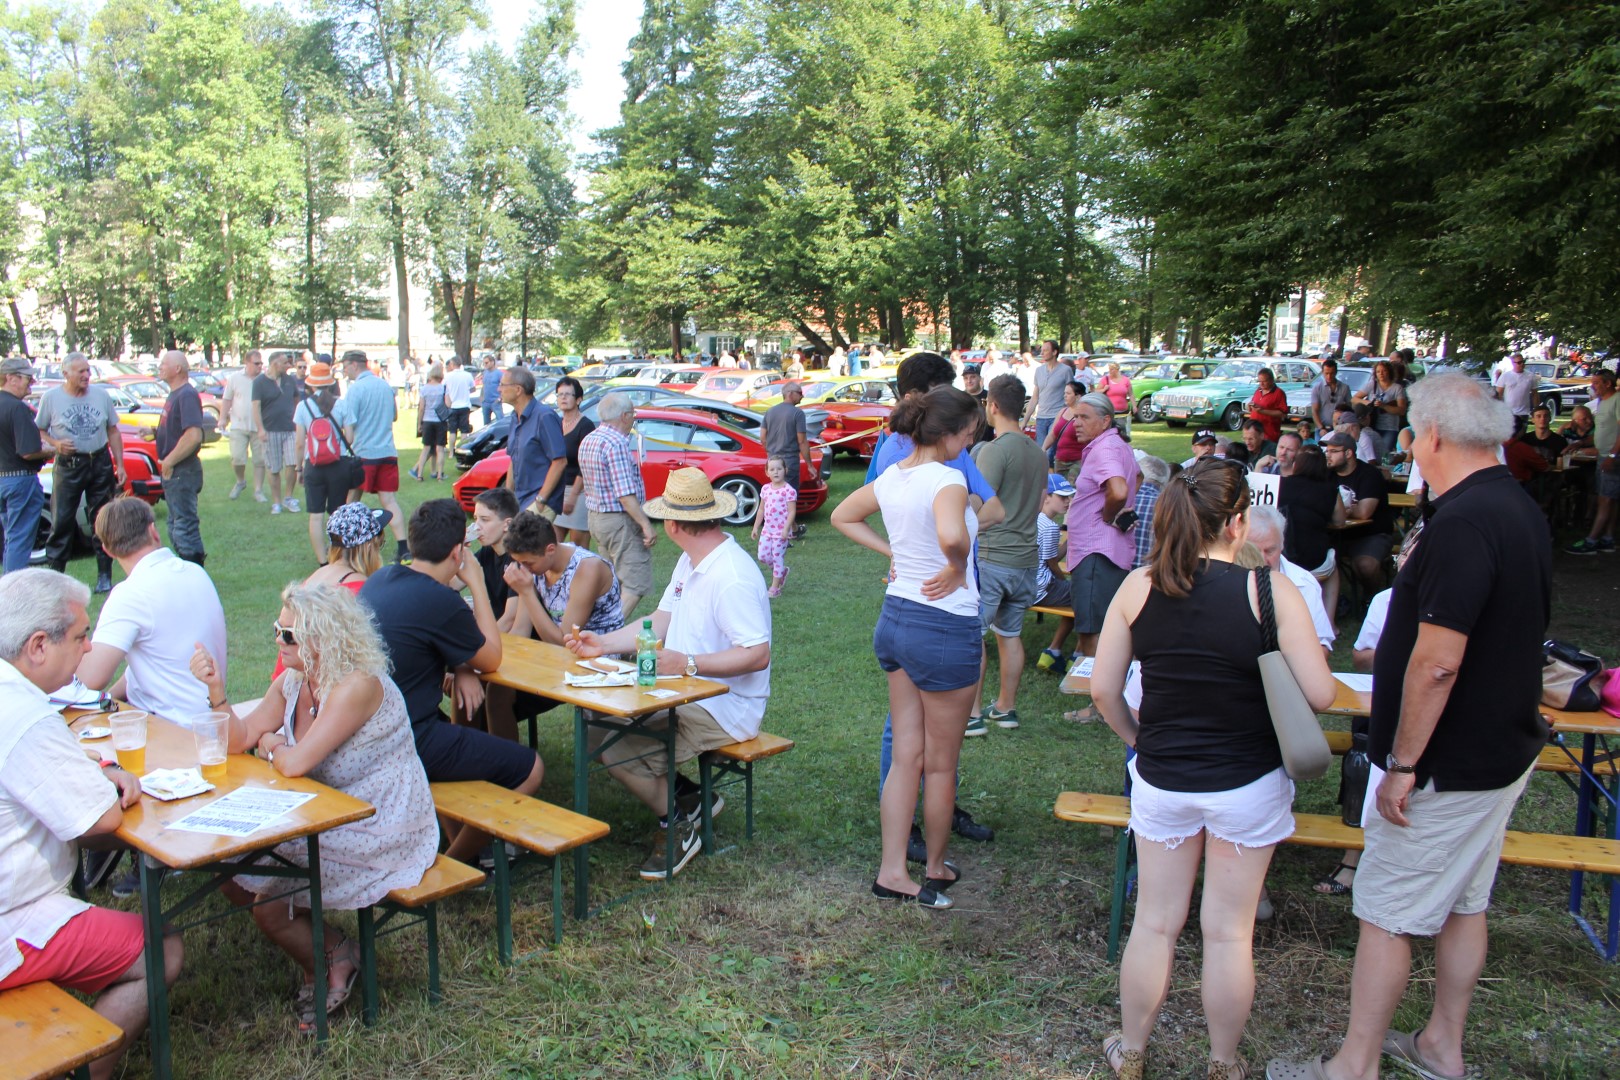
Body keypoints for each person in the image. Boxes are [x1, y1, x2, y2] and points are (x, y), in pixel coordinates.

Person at [1267, 375, 1551, 1080]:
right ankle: (1438, 1046)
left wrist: (1402, 762)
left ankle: (1353, 1066)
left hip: (1447, 762)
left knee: (1387, 911)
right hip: (1498, 749)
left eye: (1415, 436)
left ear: (1435, 437)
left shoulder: (1465, 522)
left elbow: (1436, 664)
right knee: (1463, 903)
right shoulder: (1515, 505)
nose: (1411, 449)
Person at [1091, 458, 1336, 1080]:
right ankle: (1222, 1062)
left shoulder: (1139, 586)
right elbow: (1321, 694)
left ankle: (1133, 1049)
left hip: (1163, 776)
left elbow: (1102, 690)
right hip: (1247, 781)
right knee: (1229, 934)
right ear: (1237, 523)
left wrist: (1139, 740)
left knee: (1154, 922)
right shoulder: (1268, 590)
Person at [188, 583, 436, 1033]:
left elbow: (296, 762)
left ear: (322, 638)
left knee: (268, 900)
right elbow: (238, 739)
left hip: (381, 822)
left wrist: (275, 746)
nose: (277, 641)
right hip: (325, 811)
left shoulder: (357, 685)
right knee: (225, 862)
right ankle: (328, 943)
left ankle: (328, 961)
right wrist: (216, 691)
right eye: (277, 630)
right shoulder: (295, 681)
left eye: (287, 635)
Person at [0, 569, 184, 1080]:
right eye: (81, 636)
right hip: (12, 918)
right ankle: (88, 1072)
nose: (88, 649)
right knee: (162, 946)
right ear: (39, 645)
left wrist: (99, 771)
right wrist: (111, 785)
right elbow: (98, 820)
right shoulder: (23, 715)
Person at [567, 469, 772, 881]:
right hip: (686, 691)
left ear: (675, 525)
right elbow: (660, 619)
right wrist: (603, 643)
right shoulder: (692, 558)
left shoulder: (730, 576)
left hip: (724, 707)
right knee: (597, 724)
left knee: (619, 750)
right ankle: (689, 797)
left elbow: (757, 654)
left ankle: (677, 827)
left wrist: (687, 663)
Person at [832, 388, 984, 910]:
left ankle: (892, 871)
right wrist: (958, 563)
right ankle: (935, 868)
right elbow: (951, 536)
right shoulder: (948, 479)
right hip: (943, 628)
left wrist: (893, 550)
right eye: (969, 431)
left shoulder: (893, 475)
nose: (972, 439)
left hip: (895, 620)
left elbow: (843, 517)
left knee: (905, 757)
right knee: (939, 764)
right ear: (948, 432)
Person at [358, 499, 543, 862]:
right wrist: (474, 581)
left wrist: (460, 667)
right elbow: (492, 656)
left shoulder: (380, 579)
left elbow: (422, 638)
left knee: (461, 737)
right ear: (458, 551)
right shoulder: (442, 599)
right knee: (531, 769)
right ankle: (455, 865)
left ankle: (472, 852)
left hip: (369, 729)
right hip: (407, 737)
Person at [863, 351, 999, 843]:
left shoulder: (949, 454)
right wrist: (948, 552)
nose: (971, 437)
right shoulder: (916, 456)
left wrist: (962, 527)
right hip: (931, 608)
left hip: (921, 606)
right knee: (910, 738)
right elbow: (927, 522)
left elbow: (993, 508)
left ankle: (928, 819)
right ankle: (914, 826)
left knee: (927, 739)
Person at [76, 496, 228, 723]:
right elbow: (157, 661)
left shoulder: (130, 595)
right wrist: (109, 698)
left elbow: (88, 679)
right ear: (153, 531)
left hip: (174, 729)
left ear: (107, 549)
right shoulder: (194, 571)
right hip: (214, 717)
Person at [967, 375, 1047, 731]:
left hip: (993, 555)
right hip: (1027, 558)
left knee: (975, 634)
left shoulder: (996, 451)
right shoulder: (1038, 452)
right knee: (1010, 634)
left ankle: (972, 716)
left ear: (993, 406)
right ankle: (1005, 709)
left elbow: (977, 503)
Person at [34, 353, 122, 592]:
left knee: (102, 520)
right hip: (69, 465)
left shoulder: (101, 395)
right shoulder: (51, 398)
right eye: (80, 372)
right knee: (61, 521)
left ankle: (105, 576)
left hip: (99, 461)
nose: (86, 376)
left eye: (88, 371)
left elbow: (113, 430)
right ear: (66, 374)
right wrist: (55, 444)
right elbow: (39, 430)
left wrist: (120, 464)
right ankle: (55, 580)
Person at [1065, 393, 1139, 664]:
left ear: (1106, 420)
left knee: (1092, 633)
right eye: (1075, 417)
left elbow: (1118, 490)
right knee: (1102, 629)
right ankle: (1104, 701)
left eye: (1084, 417)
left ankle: (1099, 704)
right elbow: (1138, 476)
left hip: (1096, 553)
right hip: (1107, 551)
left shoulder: (1105, 449)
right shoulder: (1117, 445)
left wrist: (1110, 514)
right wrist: (1123, 508)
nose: (1077, 423)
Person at [578, 392, 657, 618]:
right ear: (624, 416)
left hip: (596, 519)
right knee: (634, 583)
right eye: (633, 414)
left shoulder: (590, 439)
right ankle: (607, 634)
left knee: (612, 583)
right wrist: (646, 524)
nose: (634, 418)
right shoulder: (616, 444)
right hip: (619, 520)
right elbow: (624, 495)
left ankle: (599, 628)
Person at [503, 510, 622, 648]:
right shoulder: (537, 565)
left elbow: (563, 641)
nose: (523, 568)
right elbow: (521, 630)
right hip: (561, 654)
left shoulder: (587, 569)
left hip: (600, 656)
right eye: (520, 562)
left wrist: (527, 592)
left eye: (528, 563)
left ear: (550, 550)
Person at [339, 350, 409, 563]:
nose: (344, 371)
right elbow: (395, 416)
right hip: (387, 451)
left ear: (353, 365)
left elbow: (349, 428)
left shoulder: (355, 389)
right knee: (389, 500)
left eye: (344, 366)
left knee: (351, 500)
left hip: (364, 454)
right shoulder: (385, 386)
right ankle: (404, 548)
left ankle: (343, 545)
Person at [1246, 506, 1335, 657]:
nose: (1262, 559)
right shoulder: (1224, 577)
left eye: (1270, 550)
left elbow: (1322, 647)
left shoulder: (1304, 583)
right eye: (1254, 551)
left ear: (1282, 545)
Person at [293, 361, 357, 566]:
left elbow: (299, 443)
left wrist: (298, 468)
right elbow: (350, 437)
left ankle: (322, 562)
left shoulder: (303, 406)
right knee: (337, 513)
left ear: (311, 385)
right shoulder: (341, 404)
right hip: (338, 464)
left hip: (313, 465)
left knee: (315, 515)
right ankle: (337, 556)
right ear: (330, 384)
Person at [1277, 444, 1347, 630]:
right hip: (1315, 562)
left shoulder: (1279, 485)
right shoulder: (1330, 490)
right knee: (1333, 570)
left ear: (1296, 465)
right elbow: (1340, 521)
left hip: (1282, 560)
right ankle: (1329, 623)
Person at [1321, 430, 1394, 598]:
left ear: (1348, 453)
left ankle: (1371, 599)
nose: (1327, 455)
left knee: (1365, 565)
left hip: (1371, 534)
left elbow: (1363, 512)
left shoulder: (1369, 474)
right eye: (1327, 451)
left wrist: (1338, 511)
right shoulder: (1326, 474)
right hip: (1336, 533)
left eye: (1333, 451)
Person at [154, 350, 206, 564]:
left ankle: (195, 571)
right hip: (176, 471)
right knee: (175, 524)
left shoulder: (186, 394)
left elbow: (193, 435)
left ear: (177, 369)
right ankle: (187, 569)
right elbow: (178, 429)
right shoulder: (176, 393)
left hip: (182, 471)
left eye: (164, 363)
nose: (160, 367)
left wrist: (169, 461)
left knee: (184, 525)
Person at [501, 366, 567, 519]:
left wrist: (541, 500)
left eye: (503, 385)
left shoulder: (544, 416)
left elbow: (560, 461)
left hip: (539, 501)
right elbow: (514, 460)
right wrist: (507, 497)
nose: (499, 389)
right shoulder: (514, 417)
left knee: (524, 542)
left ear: (518, 390)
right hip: (520, 500)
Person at [1566, 367, 1620, 554]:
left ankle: (1591, 540)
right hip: (1603, 454)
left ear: (1607, 383)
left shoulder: (1617, 400)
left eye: (1596, 382)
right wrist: (1581, 443)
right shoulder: (1601, 402)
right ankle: (1608, 538)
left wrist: (1613, 455)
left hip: (1612, 456)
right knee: (1610, 498)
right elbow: (1602, 432)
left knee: (1604, 499)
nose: (1593, 386)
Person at [1033, 474, 1076, 672]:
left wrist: (1070, 539)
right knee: (1086, 596)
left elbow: (1050, 556)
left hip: (1026, 585)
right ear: (1047, 496)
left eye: (1069, 497)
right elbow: (1052, 563)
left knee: (1078, 593)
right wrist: (1063, 579)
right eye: (1062, 497)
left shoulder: (1032, 518)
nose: (1068, 501)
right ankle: (1076, 655)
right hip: (1042, 589)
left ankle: (1055, 651)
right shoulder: (1049, 527)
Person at [253, 351, 303, 515]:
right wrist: (260, 429)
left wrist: (299, 421)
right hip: (270, 430)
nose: (288, 366)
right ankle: (276, 502)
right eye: (285, 363)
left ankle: (288, 497)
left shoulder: (289, 380)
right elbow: (256, 407)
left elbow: (297, 401)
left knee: (292, 463)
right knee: (274, 468)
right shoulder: (260, 382)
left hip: (290, 429)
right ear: (275, 364)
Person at [551, 377, 596, 545]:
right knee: (551, 547)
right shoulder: (555, 423)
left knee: (577, 550)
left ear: (578, 399)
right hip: (557, 492)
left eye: (568, 394)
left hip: (579, 493)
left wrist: (572, 497)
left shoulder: (586, 426)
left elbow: (586, 466)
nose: (563, 398)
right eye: (560, 394)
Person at [222, 350, 265, 501]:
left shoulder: (265, 379)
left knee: (260, 459)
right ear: (246, 363)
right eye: (256, 363)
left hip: (259, 426)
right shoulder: (235, 378)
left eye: (261, 363)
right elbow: (227, 399)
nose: (260, 366)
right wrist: (222, 419)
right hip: (238, 424)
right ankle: (240, 481)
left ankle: (258, 491)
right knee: (237, 458)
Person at [751, 457, 796, 596]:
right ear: (767, 472)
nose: (776, 472)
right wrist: (756, 527)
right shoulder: (765, 489)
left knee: (777, 558)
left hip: (781, 532)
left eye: (779, 469)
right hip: (767, 531)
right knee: (763, 556)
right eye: (772, 469)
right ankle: (781, 572)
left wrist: (786, 528)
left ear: (785, 470)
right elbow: (761, 509)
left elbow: (792, 511)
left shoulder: (789, 490)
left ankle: (775, 588)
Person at [761, 380, 811, 504]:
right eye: (799, 393)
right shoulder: (798, 413)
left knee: (775, 494)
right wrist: (809, 465)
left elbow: (762, 438)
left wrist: (770, 453)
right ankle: (790, 523)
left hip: (772, 461)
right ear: (790, 394)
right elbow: (802, 441)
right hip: (790, 462)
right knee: (790, 497)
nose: (802, 396)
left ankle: (777, 521)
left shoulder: (770, 411)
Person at [1023, 340, 1075, 452]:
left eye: (1045, 350)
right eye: (1041, 350)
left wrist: (1070, 414)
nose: (1042, 353)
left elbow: (1072, 393)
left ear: (1054, 352)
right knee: (1041, 453)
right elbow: (1035, 397)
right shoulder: (1039, 371)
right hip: (1041, 418)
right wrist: (1024, 421)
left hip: (1057, 416)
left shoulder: (1066, 370)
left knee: (1049, 453)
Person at [1353, 360, 1407, 458]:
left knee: (1385, 454)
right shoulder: (1371, 385)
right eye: (1378, 371)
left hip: (1390, 427)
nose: (1381, 374)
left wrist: (1384, 406)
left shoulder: (1397, 388)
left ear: (1389, 372)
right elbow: (1354, 399)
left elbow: (1402, 410)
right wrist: (1369, 403)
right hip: (1373, 424)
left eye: (1384, 371)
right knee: (1371, 452)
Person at [409, 363, 447, 481]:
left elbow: (421, 408)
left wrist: (419, 423)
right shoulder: (443, 388)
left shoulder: (424, 388)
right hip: (440, 421)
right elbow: (448, 404)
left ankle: (419, 474)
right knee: (440, 449)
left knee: (426, 448)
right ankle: (439, 475)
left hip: (427, 420)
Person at [1044, 380, 1087, 481]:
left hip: (1077, 460)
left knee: (1071, 490)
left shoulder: (1084, 415)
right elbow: (1053, 434)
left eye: (1068, 393)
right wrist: (1043, 449)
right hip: (1060, 460)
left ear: (1078, 396)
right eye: (1064, 393)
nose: (1065, 396)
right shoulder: (1063, 411)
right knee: (1061, 492)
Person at [1493, 351, 1537, 434]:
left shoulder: (1531, 376)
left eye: (1523, 362)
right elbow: (1499, 394)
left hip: (1524, 412)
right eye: (1519, 362)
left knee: (1522, 435)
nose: (1521, 364)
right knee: (1508, 435)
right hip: (1509, 412)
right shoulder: (1505, 376)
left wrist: (1536, 409)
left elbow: (1535, 394)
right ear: (1513, 363)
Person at [441, 358, 475, 452]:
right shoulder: (467, 375)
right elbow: (473, 388)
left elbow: (444, 388)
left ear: (452, 364)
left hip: (453, 405)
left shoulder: (448, 376)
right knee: (464, 430)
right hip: (464, 405)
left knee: (452, 430)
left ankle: (451, 451)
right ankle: (462, 449)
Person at [1311, 358, 1352, 434]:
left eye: (1332, 373)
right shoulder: (1317, 388)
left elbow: (1349, 408)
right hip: (1323, 427)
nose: (1329, 376)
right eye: (1326, 373)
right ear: (1322, 372)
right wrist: (1321, 428)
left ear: (1336, 372)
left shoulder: (1344, 388)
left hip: (1340, 427)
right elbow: (1314, 411)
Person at [1248, 367, 1288, 443]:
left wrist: (1263, 411)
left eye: (1264, 381)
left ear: (1271, 380)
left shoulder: (1279, 393)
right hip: (1254, 431)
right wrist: (1250, 406)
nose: (1261, 384)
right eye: (1259, 381)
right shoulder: (1258, 390)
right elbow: (1254, 403)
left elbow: (1283, 414)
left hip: (1269, 433)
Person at [1095, 361, 1133, 436]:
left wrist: (1134, 406)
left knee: (1122, 432)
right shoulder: (1105, 379)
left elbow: (1131, 394)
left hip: (1123, 412)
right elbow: (1096, 392)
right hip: (1110, 412)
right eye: (1109, 369)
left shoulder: (1125, 380)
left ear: (1117, 370)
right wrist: (1104, 389)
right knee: (1110, 431)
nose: (1110, 371)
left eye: (1112, 369)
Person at [479, 354, 504, 427]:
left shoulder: (499, 373)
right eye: (484, 363)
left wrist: (500, 398)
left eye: (486, 363)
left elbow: (504, 386)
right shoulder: (485, 372)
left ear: (492, 362)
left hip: (495, 401)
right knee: (486, 425)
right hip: (486, 402)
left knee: (500, 422)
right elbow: (484, 385)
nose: (485, 365)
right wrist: (481, 396)